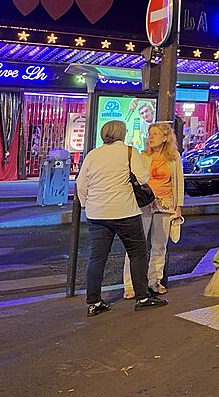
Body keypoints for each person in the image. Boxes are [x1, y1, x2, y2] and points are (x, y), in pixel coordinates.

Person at [75, 120, 167, 316]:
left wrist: (87, 205)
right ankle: (142, 297)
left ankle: (94, 301)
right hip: (125, 212)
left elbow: (81, 184)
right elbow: (142, 178)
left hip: (96, 214)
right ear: (122, 134)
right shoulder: (129, 152)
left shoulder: (93, 154)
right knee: (137, 253)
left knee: (97, 257)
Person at [122, 122, 184, 299]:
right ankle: (130, 285)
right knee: (136, 247)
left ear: (165, 138)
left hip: (165, 204)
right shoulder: (142, 156)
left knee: (159, 246)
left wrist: (178, 206)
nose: (151, 137)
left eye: (155, 134)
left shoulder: (174, 157)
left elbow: (178, 181)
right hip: (144, 205)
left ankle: (154, 281)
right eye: (150, 134)